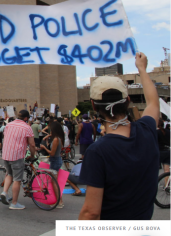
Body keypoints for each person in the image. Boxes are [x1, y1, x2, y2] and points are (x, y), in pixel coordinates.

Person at [78, 53, 159, 220]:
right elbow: (153, 103)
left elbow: (91, 212)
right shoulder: (147, 130)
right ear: (128, 101)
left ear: (93, 105)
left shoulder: (97, 151)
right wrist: (142, 69)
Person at [0, 110, 36, 210]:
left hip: (6, 154)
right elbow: (32, 144)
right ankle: (14, 203)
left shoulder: (9, 125)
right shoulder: (27, 127)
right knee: (17, 179)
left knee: (9, 174)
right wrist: (32, 155)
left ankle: (5, 192)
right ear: (26, 118)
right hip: (17, 155)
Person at [40, 122, 65, 208]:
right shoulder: (59, 138)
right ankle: (60, 200)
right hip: (57, 160)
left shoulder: (55, 140)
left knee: (54, 182)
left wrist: (44, 148)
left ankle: (59, 202)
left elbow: (52, 153)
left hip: (55, 160)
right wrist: (48, 136)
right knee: (55, 181)